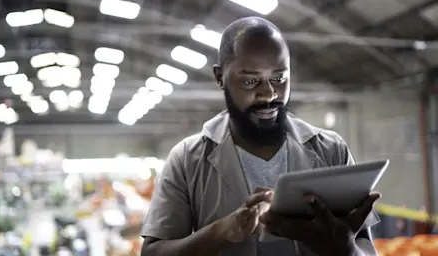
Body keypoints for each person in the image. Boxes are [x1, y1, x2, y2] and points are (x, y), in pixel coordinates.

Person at [140, 16, 382, 256]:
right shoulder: (187, 160)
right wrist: (220, 232)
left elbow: (366, 249)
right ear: (219, 77)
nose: (268, 94)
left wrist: (346, 250)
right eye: (250, 81)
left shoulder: (331, 150)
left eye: (278, 78)